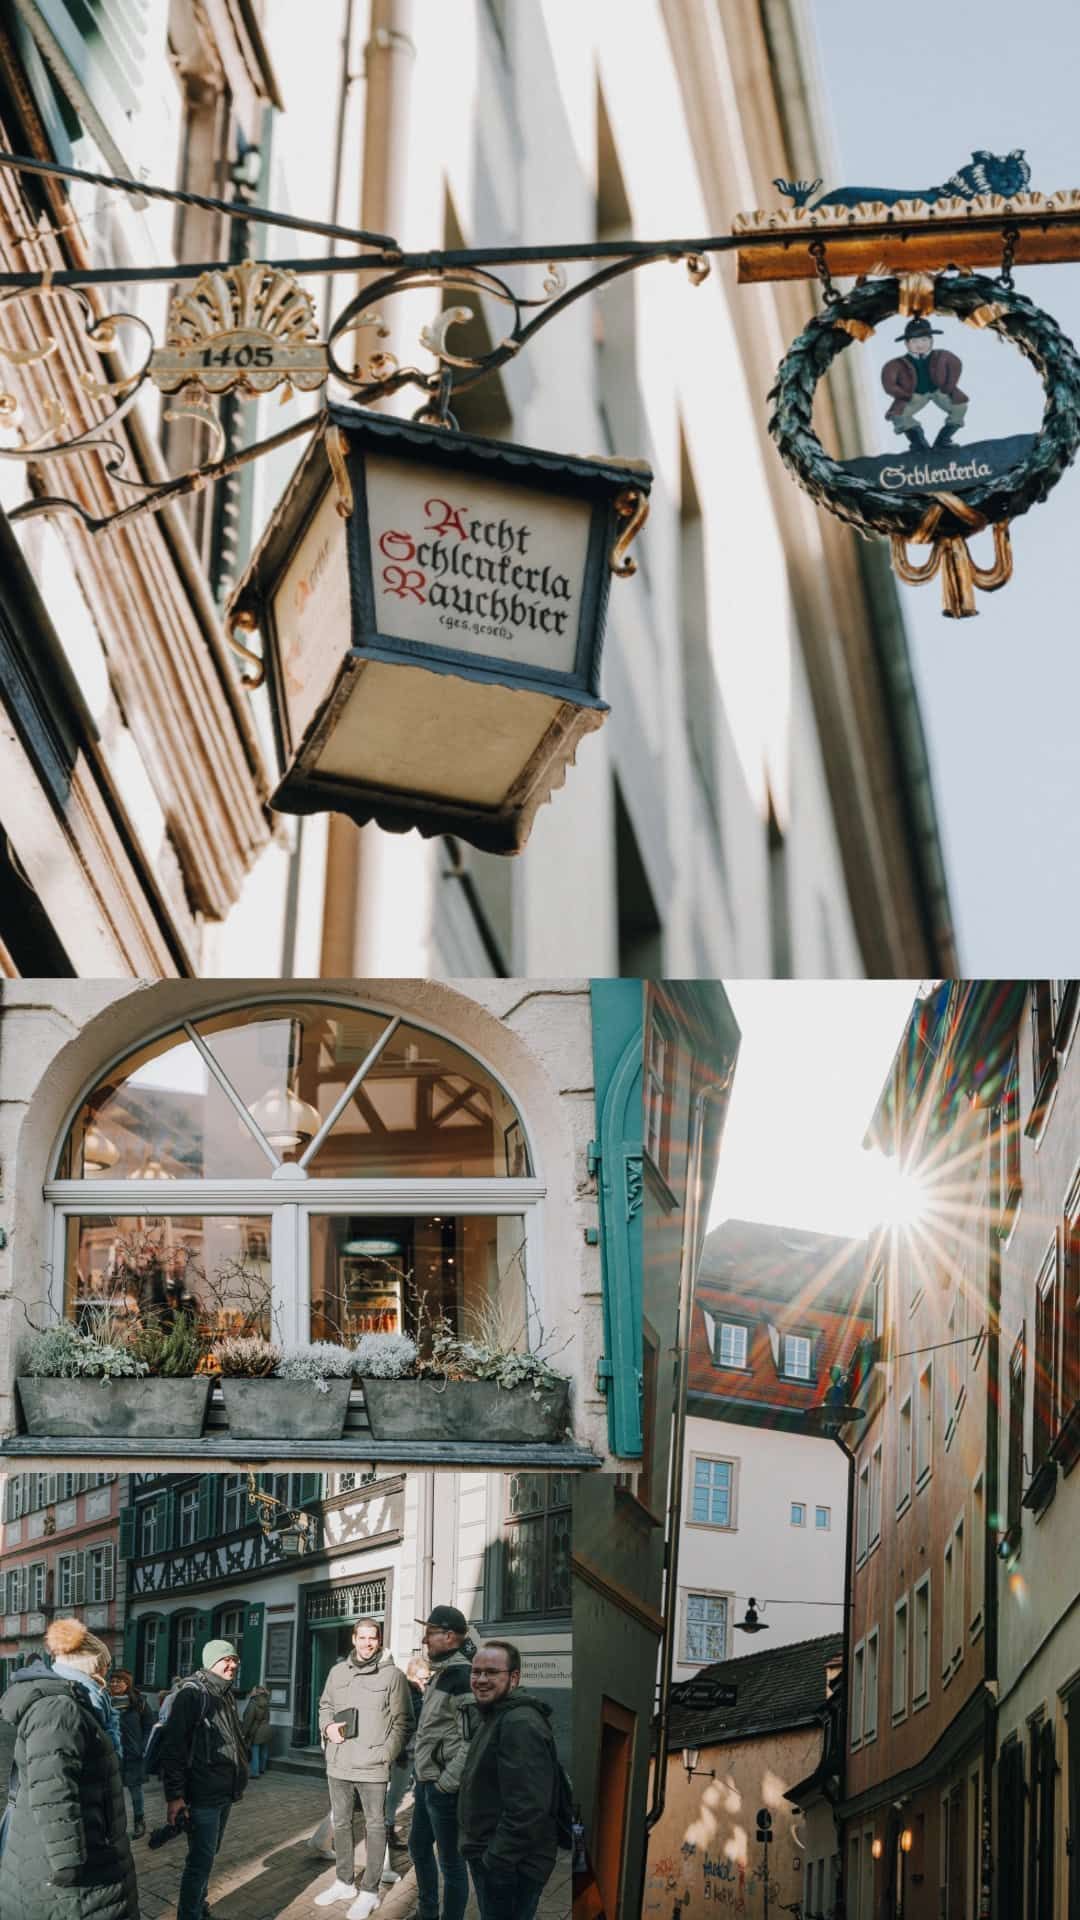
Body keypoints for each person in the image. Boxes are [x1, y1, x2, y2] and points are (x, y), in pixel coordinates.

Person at [0, 1617, 139, 1920]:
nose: (106, 1676)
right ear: (92, 1665)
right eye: (104, 1667)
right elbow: (53, 1789)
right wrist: (68, 1865)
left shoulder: (77, 1702)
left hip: (91, 1848)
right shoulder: (60, 1708)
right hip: (69, 1873)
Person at [314, 1617, 412, 1919]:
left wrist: (384, 1754)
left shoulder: (393, 1676)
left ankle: (369, 1891)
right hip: (338, 1764)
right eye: (363, 1637)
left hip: (373, 1767)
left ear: (379, 1640)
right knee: (341, 1824)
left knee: (374, 1825)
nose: (368, 1643)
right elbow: (325, 1706)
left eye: (374, 1638)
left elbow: (404, 1721)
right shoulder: (336, 1671)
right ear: (353, 1639)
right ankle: (344, 1882)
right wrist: (328, 1728)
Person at [458, 1640, 560, 1920]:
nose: (480, 1679)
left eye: (491, 1672)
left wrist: (495, 1861)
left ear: (513, 1678)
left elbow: (528, 1808)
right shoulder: (497, 1714)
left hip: (511, 1867)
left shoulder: (519, 1723)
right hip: (499, 1858)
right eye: (476, 1672)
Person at [158, 1638, 249, 1920]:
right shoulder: (192, 1695)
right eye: (226, 1660)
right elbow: (173, 1749)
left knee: (208, 1855)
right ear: (211, 1663)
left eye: (234, 1660)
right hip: (202, 1795)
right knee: (199, 1861)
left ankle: (199, 1906)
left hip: (224, 1791)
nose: (232, 1665)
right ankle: (189, 1914)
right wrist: (175, 1796)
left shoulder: (225, 1693)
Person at [409, 1606, 476, 1920]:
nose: (425, 1639)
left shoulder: (462, 1675)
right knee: (419, 1847)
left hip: (442, 1787)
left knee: (451, 1863)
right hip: (427, 1782)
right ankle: (427, 1913)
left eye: (431, 1632)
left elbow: (472, 1740)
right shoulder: (443, 1673)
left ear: (449, 1636)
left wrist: (446, 1783)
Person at [881, 317, 969, 452]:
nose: (920, 344)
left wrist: (949, 386)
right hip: (915, 394)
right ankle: (918, 443)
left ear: (931, 340)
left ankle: (943, 440)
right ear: (906, 343)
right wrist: (905, 395)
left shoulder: (942, 355)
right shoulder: (896, 364)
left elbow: (955, 364)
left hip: (939, 390)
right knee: (898, 415)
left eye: (924, 340)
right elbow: (889, 384)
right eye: (914, 341)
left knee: (959, 407)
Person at [385, 1655, 430, 1845]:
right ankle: (386, 1831)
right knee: (395, 1794)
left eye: (427, 1678)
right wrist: (400, 1751)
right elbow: (399, 1724)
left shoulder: (419, 1693)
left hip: (411, 1752)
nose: (425, 1682)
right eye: (422, 1678)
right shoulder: (408, 1693)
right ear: (412, 1676)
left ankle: (388, 1828)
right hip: (402, 1754)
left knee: (397, 1794)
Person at [108, 1666, 156, 1837]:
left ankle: (139, 1821)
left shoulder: (139, 1703)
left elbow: (150, 1726)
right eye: (112, 1681)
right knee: (113, 1793)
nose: (114, 1684)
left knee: (136, 1792)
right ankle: (115, 1826)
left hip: (133, 1754)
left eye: (118, 1681)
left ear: (127, 1684)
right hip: (112, 1755)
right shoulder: (105, 1700)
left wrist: (142, 1747)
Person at [240, 1684, 272, 1778]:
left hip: (256, 1730)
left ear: (256, 1692)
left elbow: (248, 1720)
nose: (251, 1691)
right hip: (266, 1728)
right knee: (264, 1750)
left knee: (255, 1751)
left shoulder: (253, 1703)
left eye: (253, 1690)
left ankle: (255, 1772)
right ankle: (262, 1769)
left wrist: (243, 1733)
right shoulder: (266, 1701)